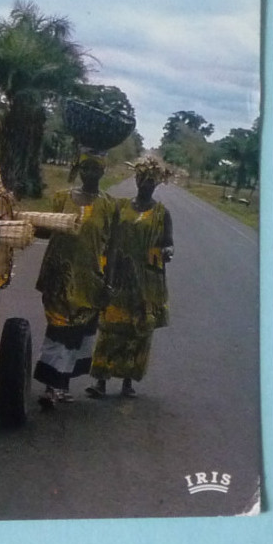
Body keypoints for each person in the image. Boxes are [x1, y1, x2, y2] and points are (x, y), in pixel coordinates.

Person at [33, 151, 118, 408]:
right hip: (58, 277)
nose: (90, 174)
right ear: (79, 170)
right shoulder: (61, 198)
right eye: (85, 169)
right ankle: (50, 387)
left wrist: (109, 281)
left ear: (103, 172)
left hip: (89, 278)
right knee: (58, 329)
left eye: (95, 169)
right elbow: (46, 232)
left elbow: (112, 246)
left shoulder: (109, 206)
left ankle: (64, 384)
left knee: (77, 333)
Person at [86, 157, 174, 398]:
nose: (145, 184)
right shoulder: (120, 207)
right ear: (136, 179)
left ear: (156, 184)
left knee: (139, 331)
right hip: (118, 275)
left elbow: (168, 243)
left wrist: (168, 252)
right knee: (110, 327)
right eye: (141, 179)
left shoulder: (161, 213)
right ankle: (100, 382)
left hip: (147, 282)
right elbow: (108, 237)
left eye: (150, 182)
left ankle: (127, 383)